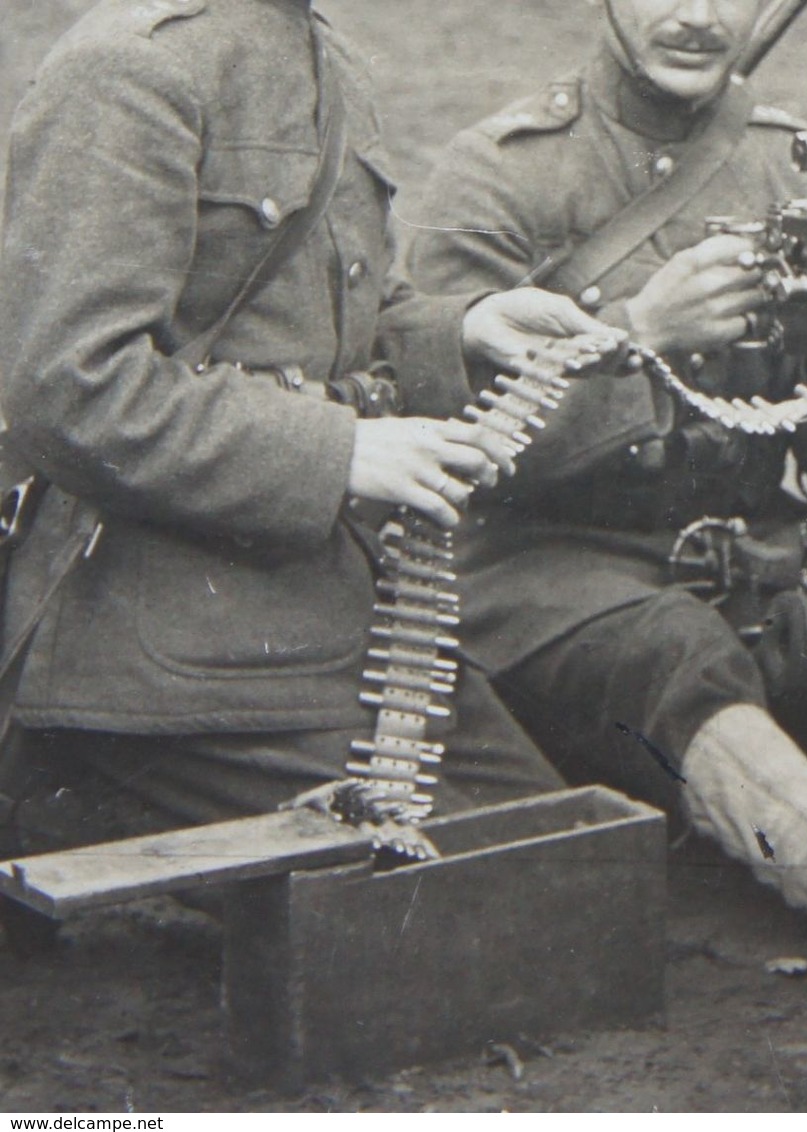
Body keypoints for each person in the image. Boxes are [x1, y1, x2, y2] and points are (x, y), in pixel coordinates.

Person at [401, 0, 807, 976]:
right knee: (675, 653)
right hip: (545, 574)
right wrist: (639, 332)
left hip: (750, 551)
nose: (699, 16)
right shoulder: (501, 170)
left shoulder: (801, 168)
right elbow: (458, 442)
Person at [0, 0, 620, 898]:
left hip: (309, 597)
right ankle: (65, 788)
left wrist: (467, 327)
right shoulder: (128, 68)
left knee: (562, 857)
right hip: (144, 635)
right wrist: (338, 454)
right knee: (516, 896)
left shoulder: (323, 54)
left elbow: (337, 322)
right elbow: (66, 386)